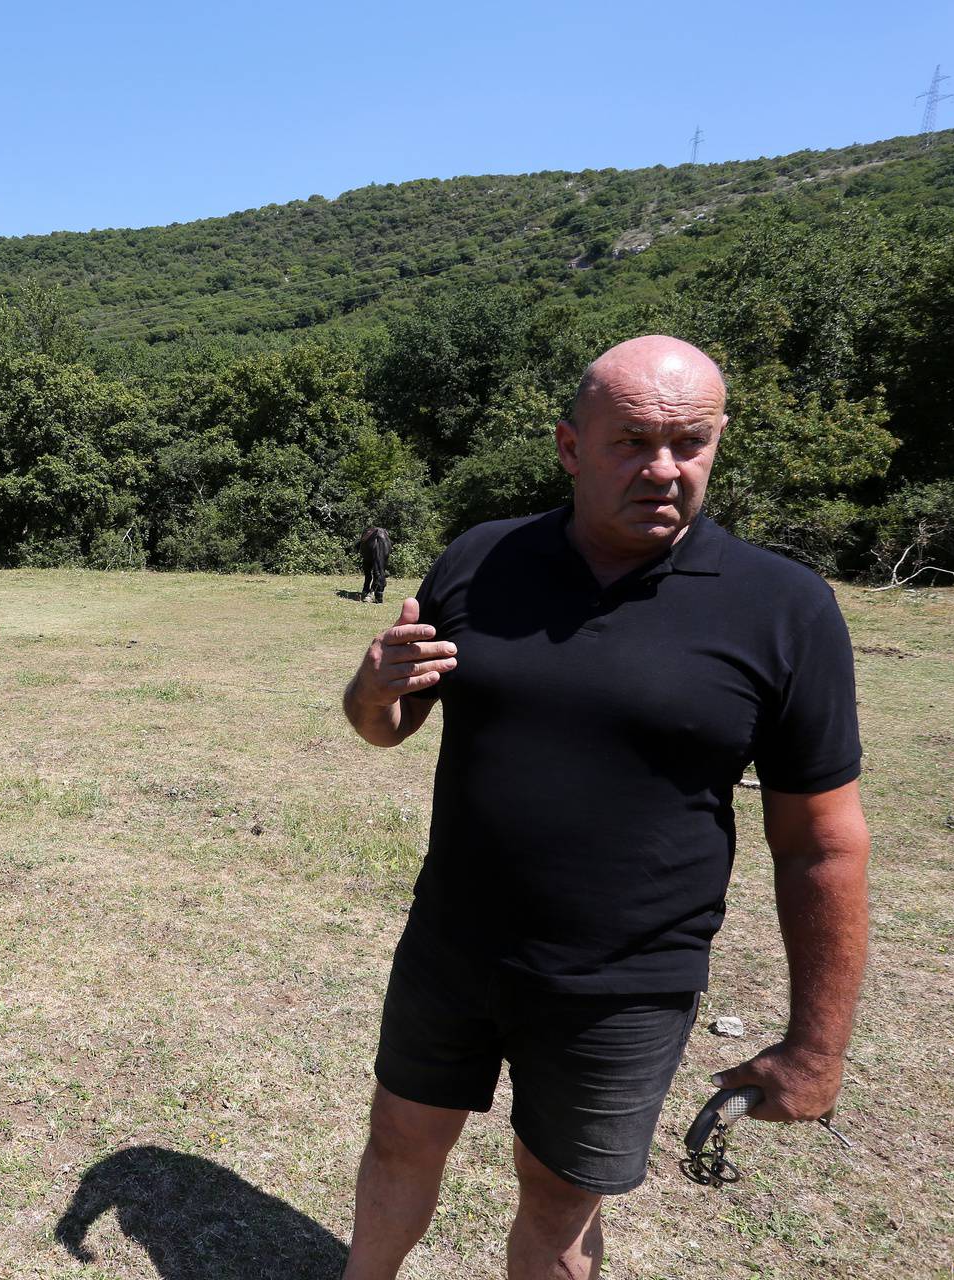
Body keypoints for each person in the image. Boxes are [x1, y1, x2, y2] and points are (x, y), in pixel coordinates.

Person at [338, 336, 870, 1280]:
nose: (664, 470)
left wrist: (816, 1045)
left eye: (690, 443)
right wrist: (370, 689)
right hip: (450, 947)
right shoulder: (482, 559)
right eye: (630, 442)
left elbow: (821, 843)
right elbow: (386, 726)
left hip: (623, 986)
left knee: (557, 1200)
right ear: (570, 447)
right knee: (398, 1146)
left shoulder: (783, 608)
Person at [359, 526, 392, 603]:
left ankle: (373, 591)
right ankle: (366, 588)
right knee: (369, 572)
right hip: (369, 551)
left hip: (384, 552)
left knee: (378, 572)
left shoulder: (385, 551)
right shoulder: (370, 549)